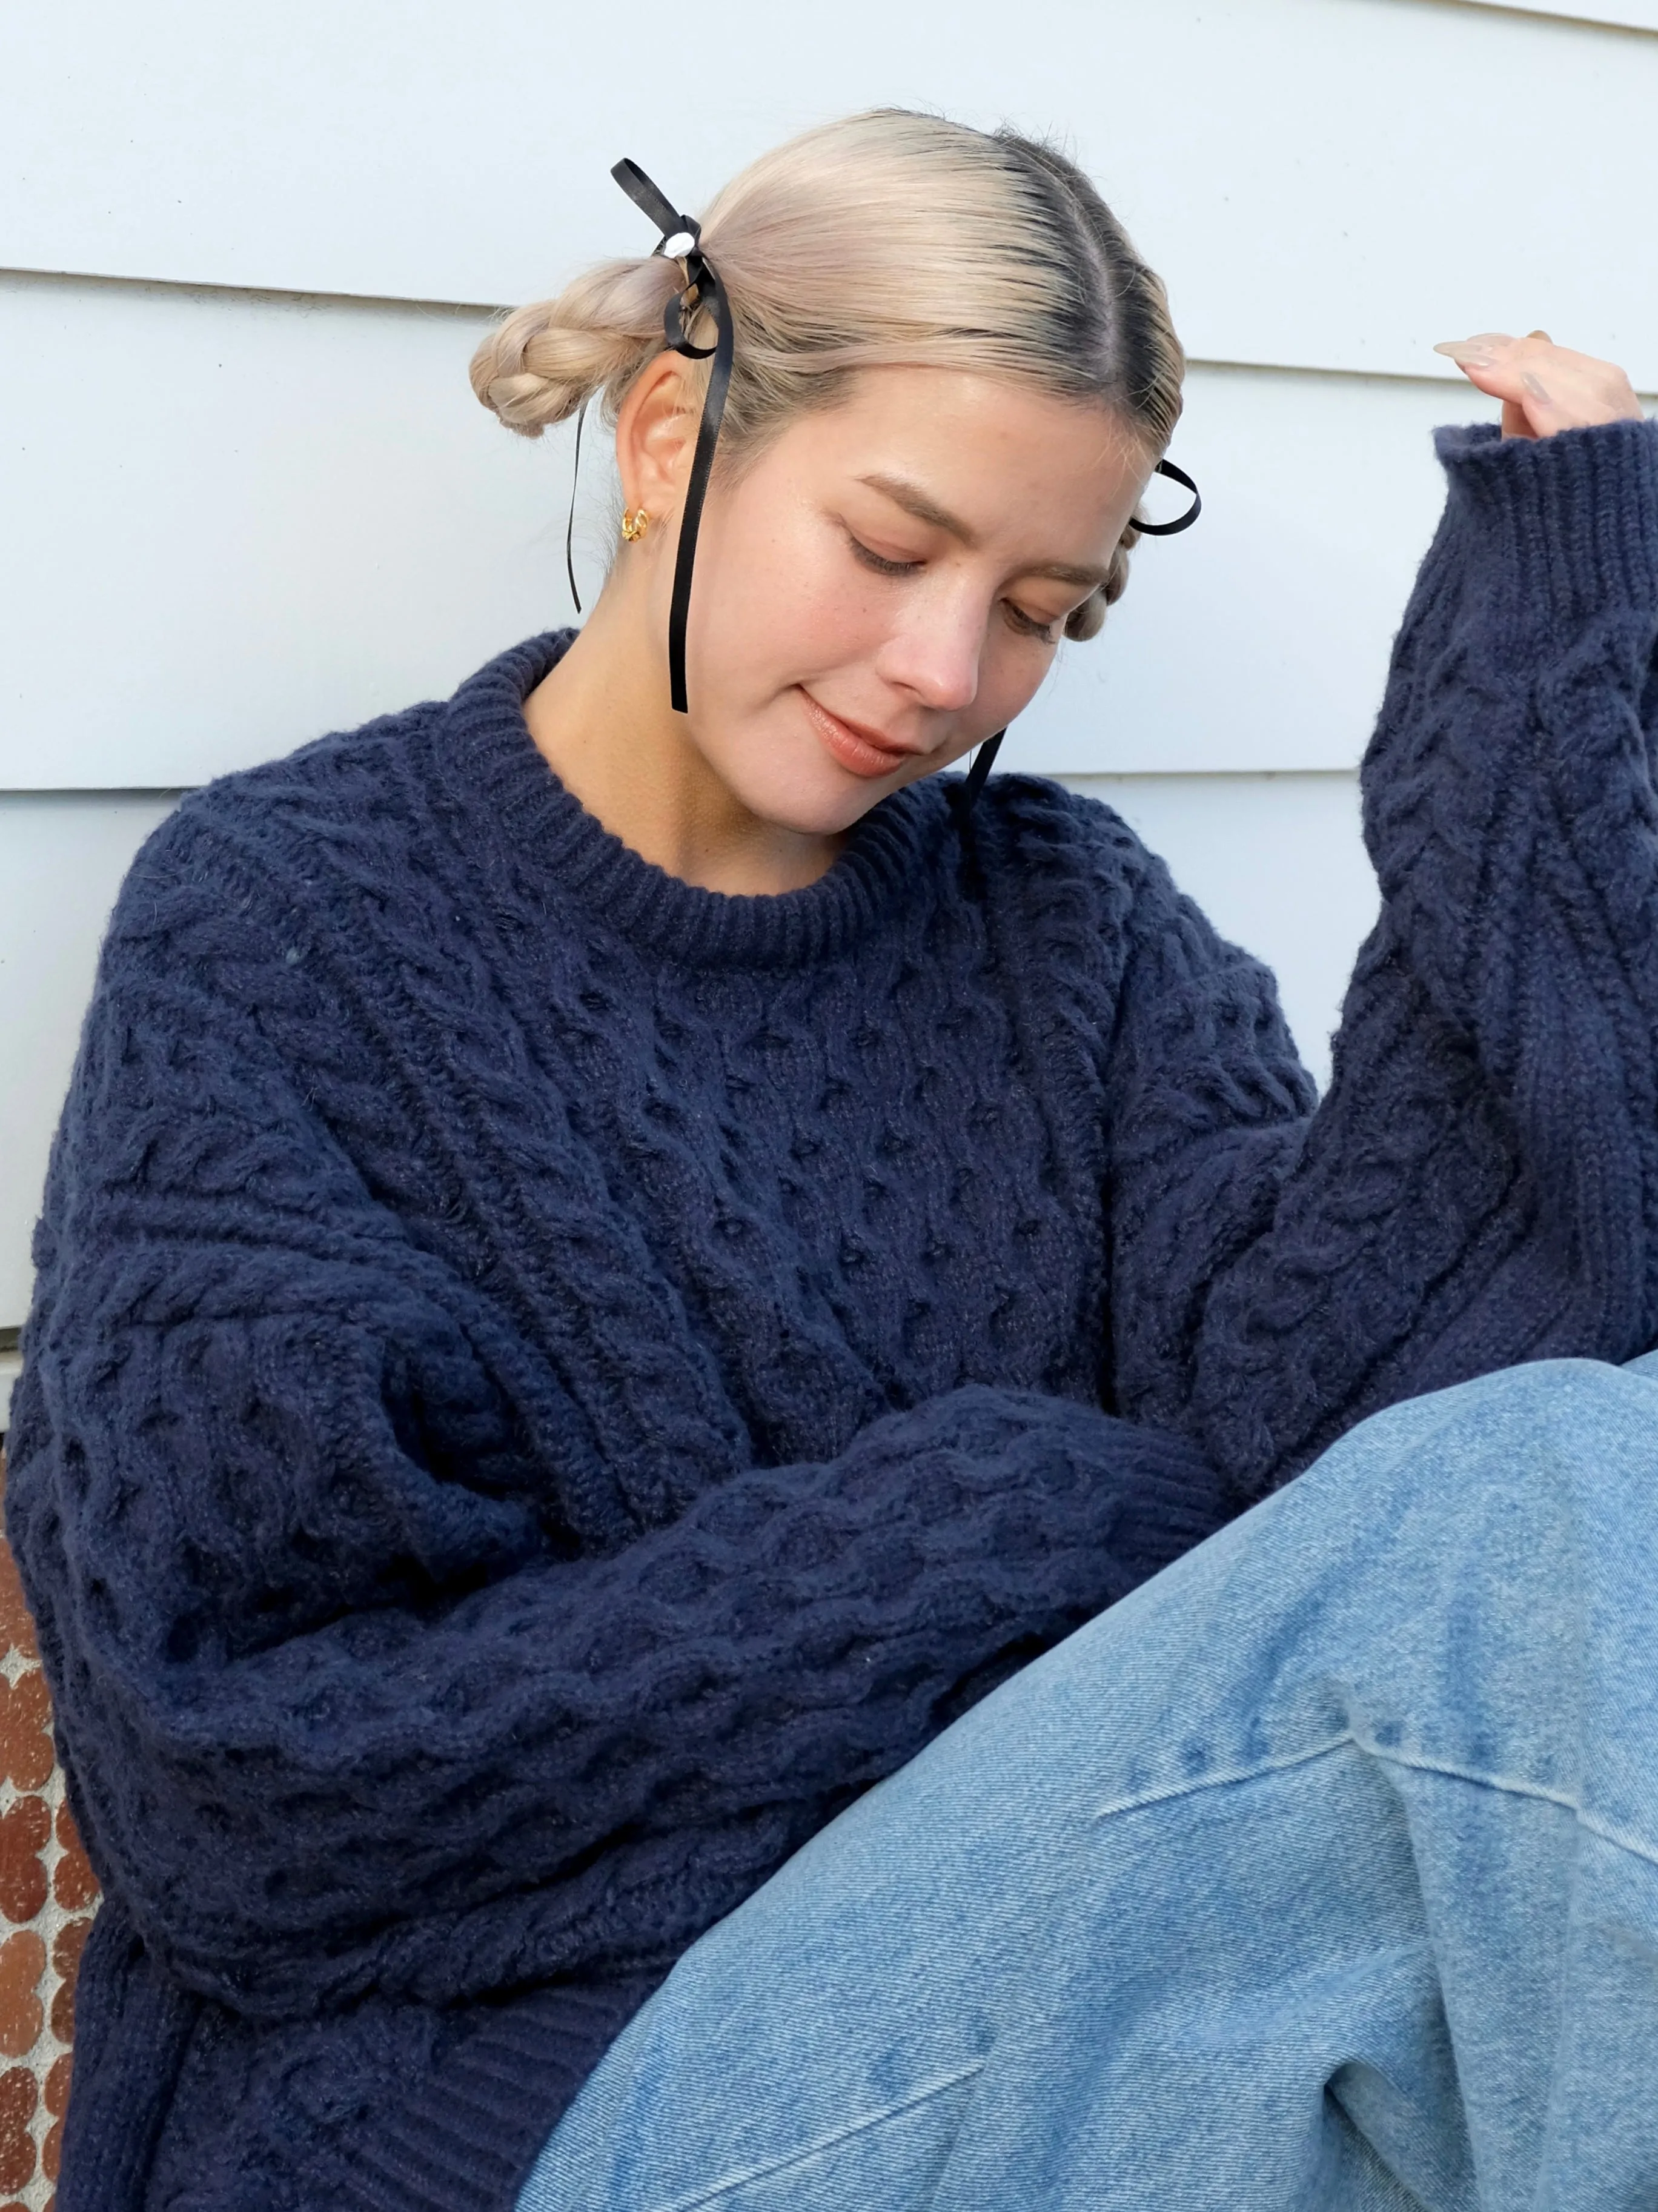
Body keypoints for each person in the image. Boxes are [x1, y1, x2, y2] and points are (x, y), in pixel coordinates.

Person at [5, 106, 1655, 2212]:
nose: (945, 675)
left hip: (1040, 1976)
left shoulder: (1072, 929)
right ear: (674, 439)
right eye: (890, 550)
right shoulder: (287, 932)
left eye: (1043, 607)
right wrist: (1014, 1516)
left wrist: (1557, 655)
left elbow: (1379, 1404)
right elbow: (246, 1787)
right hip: (505, 2110)